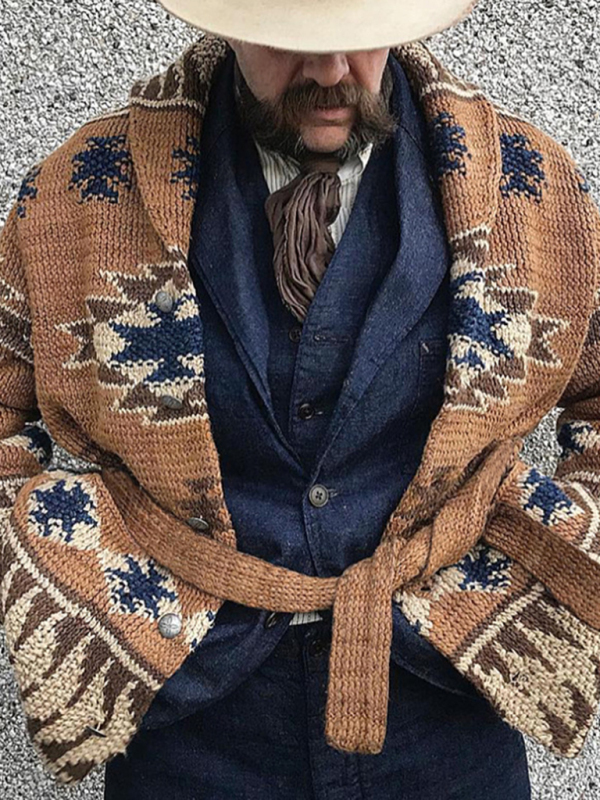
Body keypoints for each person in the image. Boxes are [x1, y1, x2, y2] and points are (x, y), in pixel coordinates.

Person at [1, 1, 600, 798]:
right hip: (191, 726)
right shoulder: (80, 195)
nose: (328, 71)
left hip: (446, 719)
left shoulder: (532, 190)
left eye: (357, 40)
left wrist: (532, 566)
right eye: (291, 42)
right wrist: (63, 572)